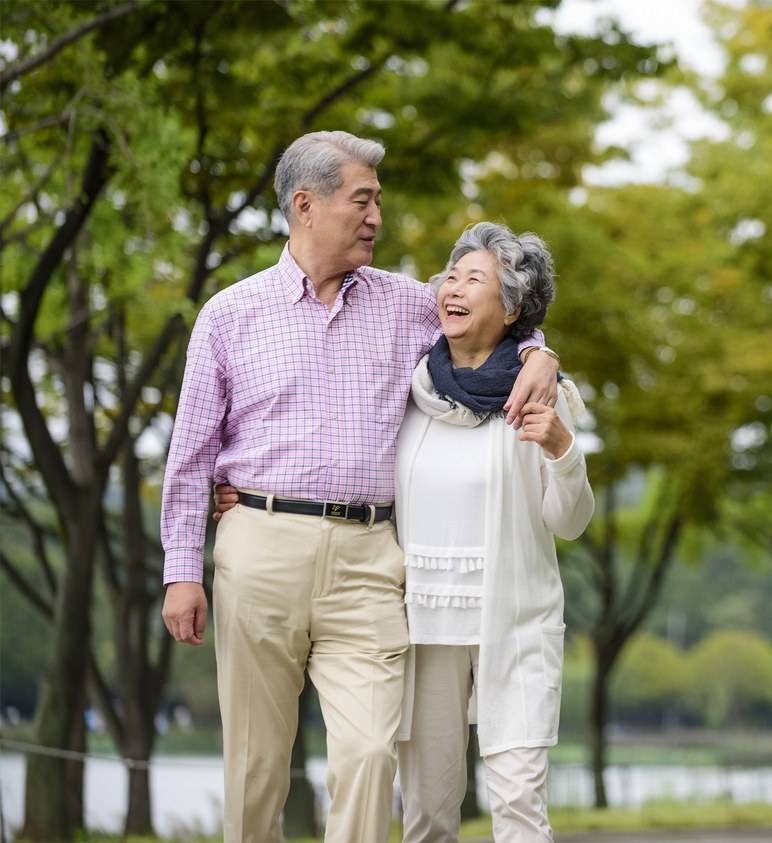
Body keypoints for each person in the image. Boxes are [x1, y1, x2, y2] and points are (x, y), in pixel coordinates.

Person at [159, 131, 560, 843]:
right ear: (306, 205)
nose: (377, 215)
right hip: (259, 545)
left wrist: (540, 353)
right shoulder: (228, 314)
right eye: (363, 200)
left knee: (371, 752)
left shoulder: (410, 303)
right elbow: (191, 455)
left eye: (379, 200)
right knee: (255, 767)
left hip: (372, 558)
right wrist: (181, 571)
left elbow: (498, 312)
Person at [395, 222, 594, 843]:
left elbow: (571, 519)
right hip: (424, 625)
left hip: (514, 621)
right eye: (449, 277)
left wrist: (562, 449)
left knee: (518, 809)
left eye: (473, 279)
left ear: (511, 310)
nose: (452, 288)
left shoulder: (539, 397)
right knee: (427, 812)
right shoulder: (409, 389)